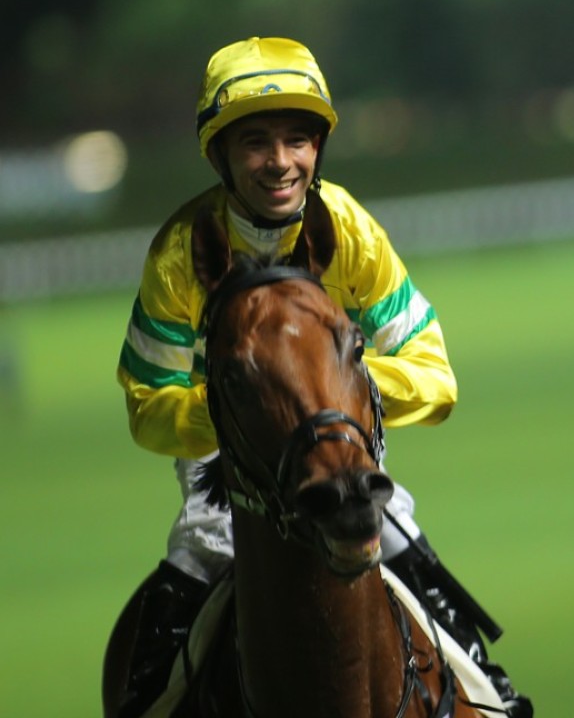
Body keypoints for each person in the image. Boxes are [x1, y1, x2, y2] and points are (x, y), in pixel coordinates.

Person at [115, 37, 531, 718]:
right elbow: (147, 406)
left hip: (338, 437)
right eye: (255, 142)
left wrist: (333, 397)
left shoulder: (350, 229)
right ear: (220, 153)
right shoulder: (179, 253)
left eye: (297, 139)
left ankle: (486, 690)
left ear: (318, 148)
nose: (280, 162)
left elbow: (435, 377)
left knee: (397, 535)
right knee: (199, 549)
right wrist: (244, 412)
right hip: (232, 463)